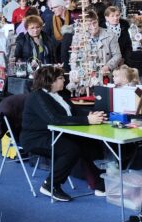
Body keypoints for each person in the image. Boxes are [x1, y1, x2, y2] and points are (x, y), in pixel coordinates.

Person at [20, 64, 107, 202]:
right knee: (70, 149)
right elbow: (53, 119)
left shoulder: (58, 95)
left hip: (55, 134)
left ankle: (97, 183)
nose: (64, 81)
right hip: (36, 138)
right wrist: (87, 120)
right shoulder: (37, 97)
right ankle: (50, 184)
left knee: (85, 143)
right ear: (50, 80)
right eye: (60, 78)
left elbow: (73, 111)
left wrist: (91, 114)